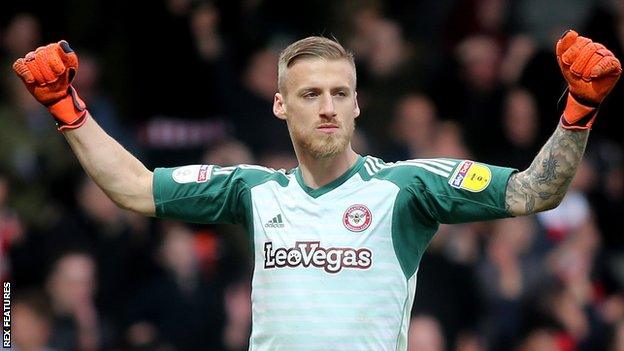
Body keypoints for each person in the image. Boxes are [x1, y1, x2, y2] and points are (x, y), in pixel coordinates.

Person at [11, 30, 621, 350]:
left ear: (357, 104)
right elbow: (137, 189)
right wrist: (70, 110)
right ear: (279, 105)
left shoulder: (409, 186)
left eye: (338, 93)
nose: (326, 107)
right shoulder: (252, 191)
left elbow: (531, 192)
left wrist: (580, 110)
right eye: (309, 94)